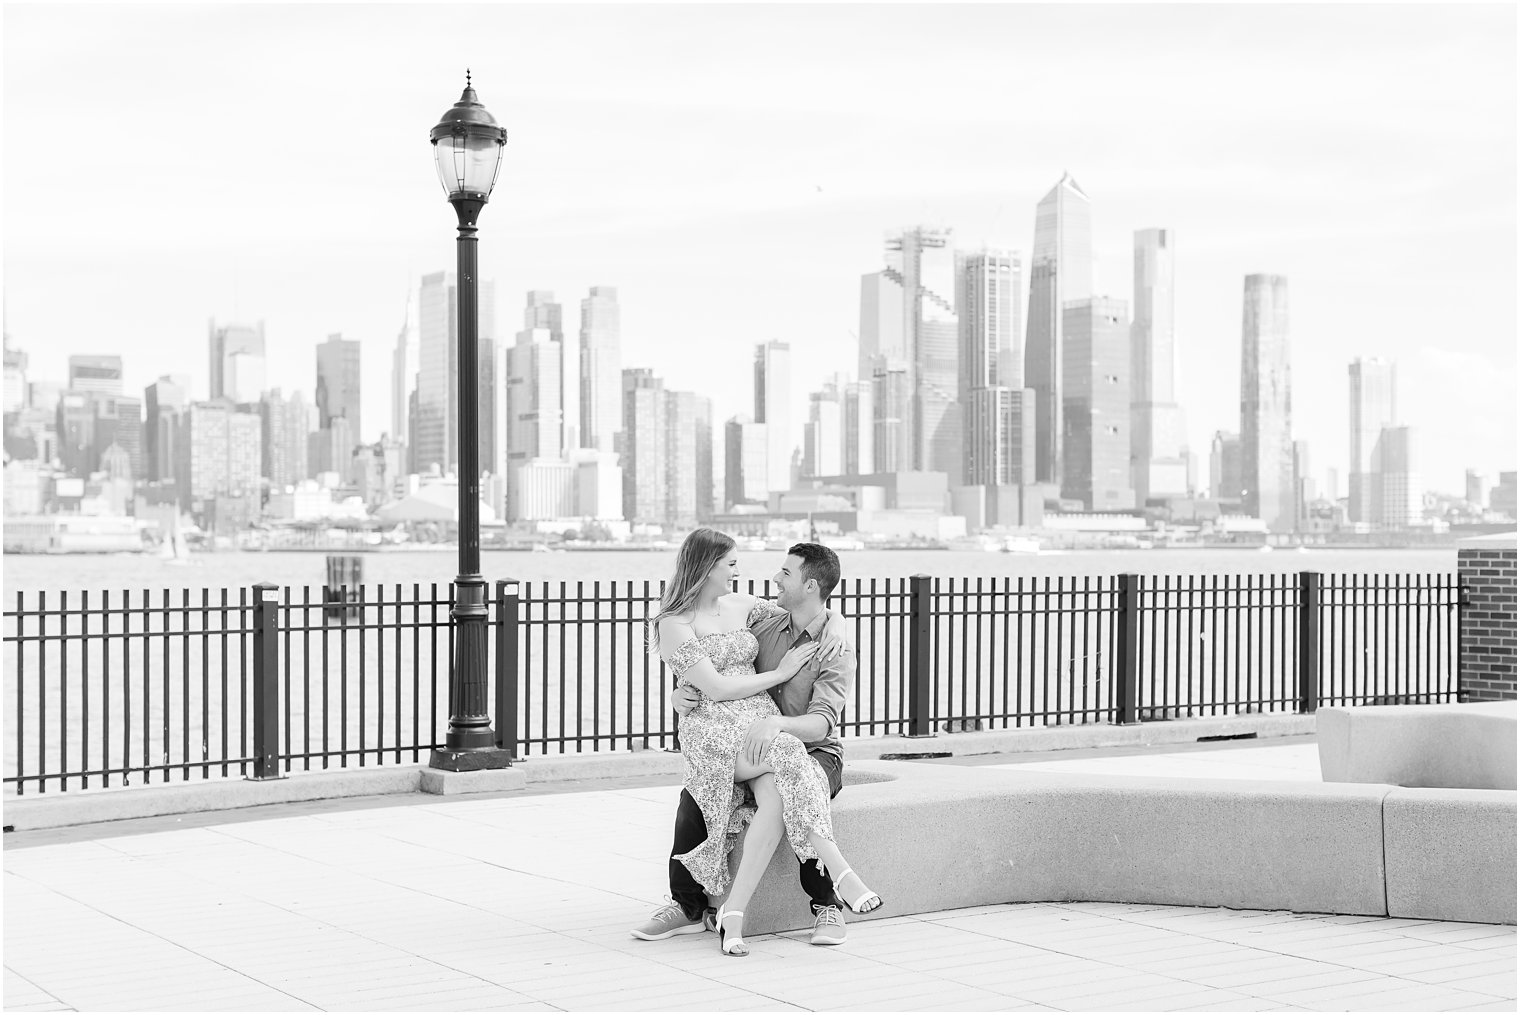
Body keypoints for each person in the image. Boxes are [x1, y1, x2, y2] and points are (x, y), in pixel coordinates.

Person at [631, 530, 878, 953]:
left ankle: (813, 904)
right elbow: (716, 684)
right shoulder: (756, 622)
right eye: (731, 563)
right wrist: (682, 694)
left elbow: (820, 724)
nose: (746, 572)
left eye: (785, 572)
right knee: (696, 800)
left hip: (793, 739)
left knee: (787, 790)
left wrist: (838, 620)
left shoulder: (762, 615)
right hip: (721, 728)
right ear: (707, 566)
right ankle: (689, 905)